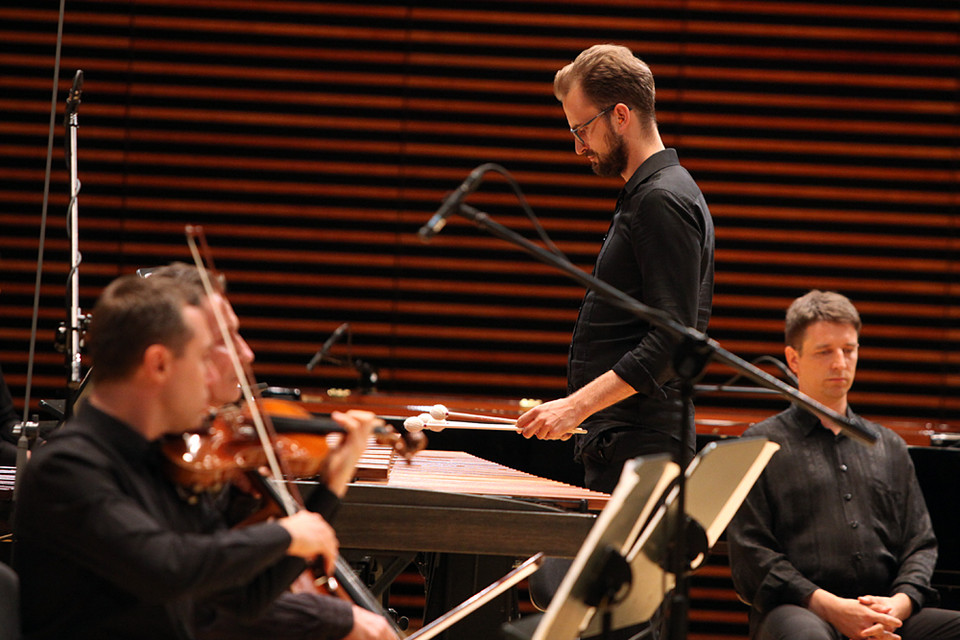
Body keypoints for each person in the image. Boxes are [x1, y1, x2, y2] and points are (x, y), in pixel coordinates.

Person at [13, 273, 397, 640]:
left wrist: (330, 487)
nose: (210, 377)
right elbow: (166, 567)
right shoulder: (68, 468)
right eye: (201, 359)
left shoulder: (162, 462)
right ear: (159, 364)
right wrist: (283, 534)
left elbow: (247, 600)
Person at [146, 262, 399, 640]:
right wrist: (327, 613)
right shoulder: (138, 462)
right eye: (225, 340)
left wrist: (334, 481)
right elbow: (201, 606)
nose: (247, 354)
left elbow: (248, 596)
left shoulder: (207, 454)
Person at [516, 44, 715, 493]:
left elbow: (673, 338)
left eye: (582, 128)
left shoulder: (662, 199)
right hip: (626, 441)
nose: (578, 146)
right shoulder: (651, 194)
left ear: (620, 115)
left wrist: (576, 407)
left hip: (642, 447)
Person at [727, 290, 960, 640]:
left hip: (885, 610)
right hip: (800, 609)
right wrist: (833, 607)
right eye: (824, 352)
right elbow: (752, 556)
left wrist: (899, 604)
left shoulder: (889, 446)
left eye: (849, 350)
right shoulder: (759, 444)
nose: (840, 363)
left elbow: (920, 544)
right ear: (793, 358)